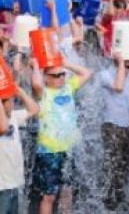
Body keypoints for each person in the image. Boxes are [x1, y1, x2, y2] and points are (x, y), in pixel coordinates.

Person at [30, 60, 93, 214]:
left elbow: (87, 73)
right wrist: (37, 66)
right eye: (56, 75)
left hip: (69, 150)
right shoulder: (43, 93)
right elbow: (36, 85)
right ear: (46, 78)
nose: (61, 78)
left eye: (62, 74)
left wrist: (65, 63)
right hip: (49, 152)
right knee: (49, 196)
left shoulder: (68, 87)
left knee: (67, 192)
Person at [99, 53, 129, 210]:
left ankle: (121, 199)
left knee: (124, 166)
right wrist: (122, 62)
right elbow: (118, 86)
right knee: (111, 167)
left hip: (127, 126)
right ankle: (108, 204)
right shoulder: (105, 74)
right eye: (128, 66)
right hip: (111, 126)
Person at [1, 86, 39, 214]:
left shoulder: (14, 117)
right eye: (10, 101)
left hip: (14, 184)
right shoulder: (4, 123)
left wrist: (18, 90)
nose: (13, 103)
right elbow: (3, 127)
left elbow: (34, 109)